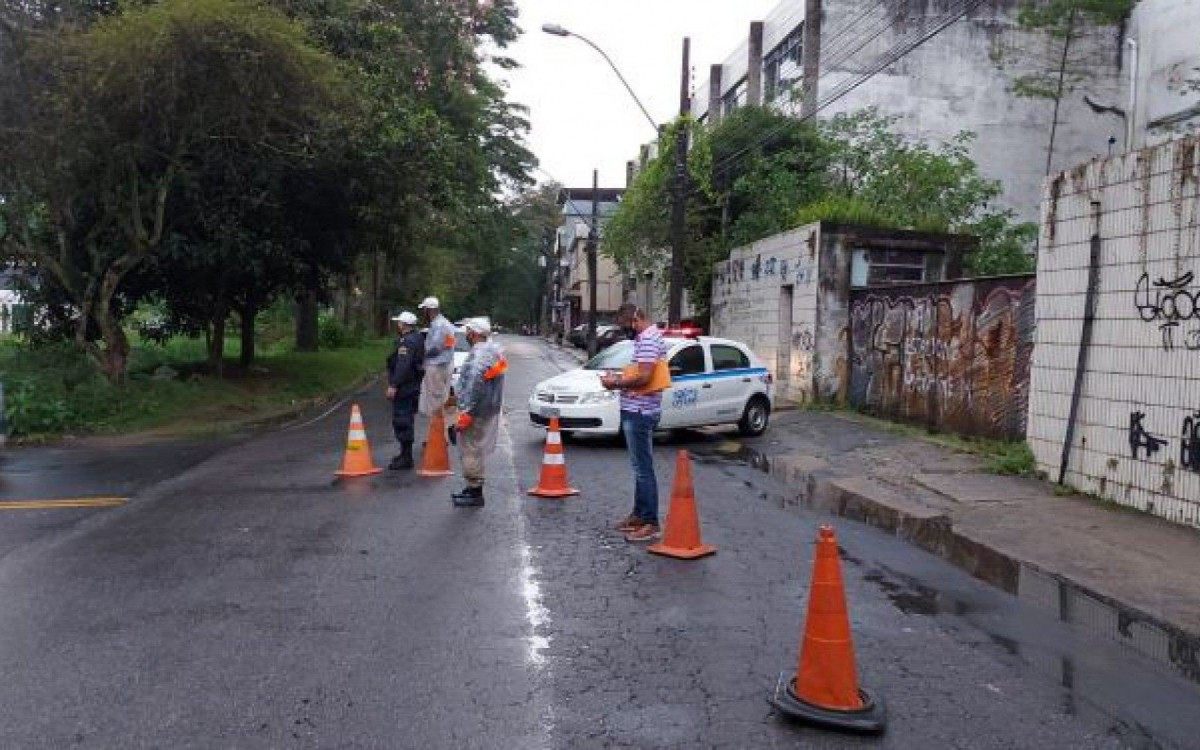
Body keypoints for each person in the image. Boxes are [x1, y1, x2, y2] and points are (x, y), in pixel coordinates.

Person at [601, 303, 668, 542]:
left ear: (638, 318)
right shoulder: (645, 338)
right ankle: (639, 515)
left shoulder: (648, 339)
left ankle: (650, 522)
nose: (628, 329)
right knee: (639, 468)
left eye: (629, 324)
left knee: (643, 470)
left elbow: (645, 376)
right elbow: (639, 372)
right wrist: (619, 378)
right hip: (637, 408)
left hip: (640, 411)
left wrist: (615, 384)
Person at [451, 318, 507, 507]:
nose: (466, 334)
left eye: (467, 331)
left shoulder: (480, 355)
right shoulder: (493, 352)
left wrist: (467, 411)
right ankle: (472, 487)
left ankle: (475, 492)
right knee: (475, 449)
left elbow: (475, 385)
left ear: (473, 333)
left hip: (476, 411)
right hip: (486, 408)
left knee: (470, 450)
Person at [385, 311, 424, 470]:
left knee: (402, 419)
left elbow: (403, 365)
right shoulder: (418, 337)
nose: (397, 325)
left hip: (405, 386)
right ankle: (404, 454)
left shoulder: (406, 342)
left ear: (403, 324)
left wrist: (393, 385)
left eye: (399, 323)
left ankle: (406, 457)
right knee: (407, 418)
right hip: (413, 384)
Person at [418, 296, 457, 423]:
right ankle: (443, 430)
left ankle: (437, 433)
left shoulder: (438, 325)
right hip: (446, 363)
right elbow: (449, 344)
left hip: (436, 365)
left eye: (424, 309)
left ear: (429, 310)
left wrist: (422, 355)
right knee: (442, 397)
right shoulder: (446, 323)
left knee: (434, 399)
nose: (423, 312)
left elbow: (435, 347)